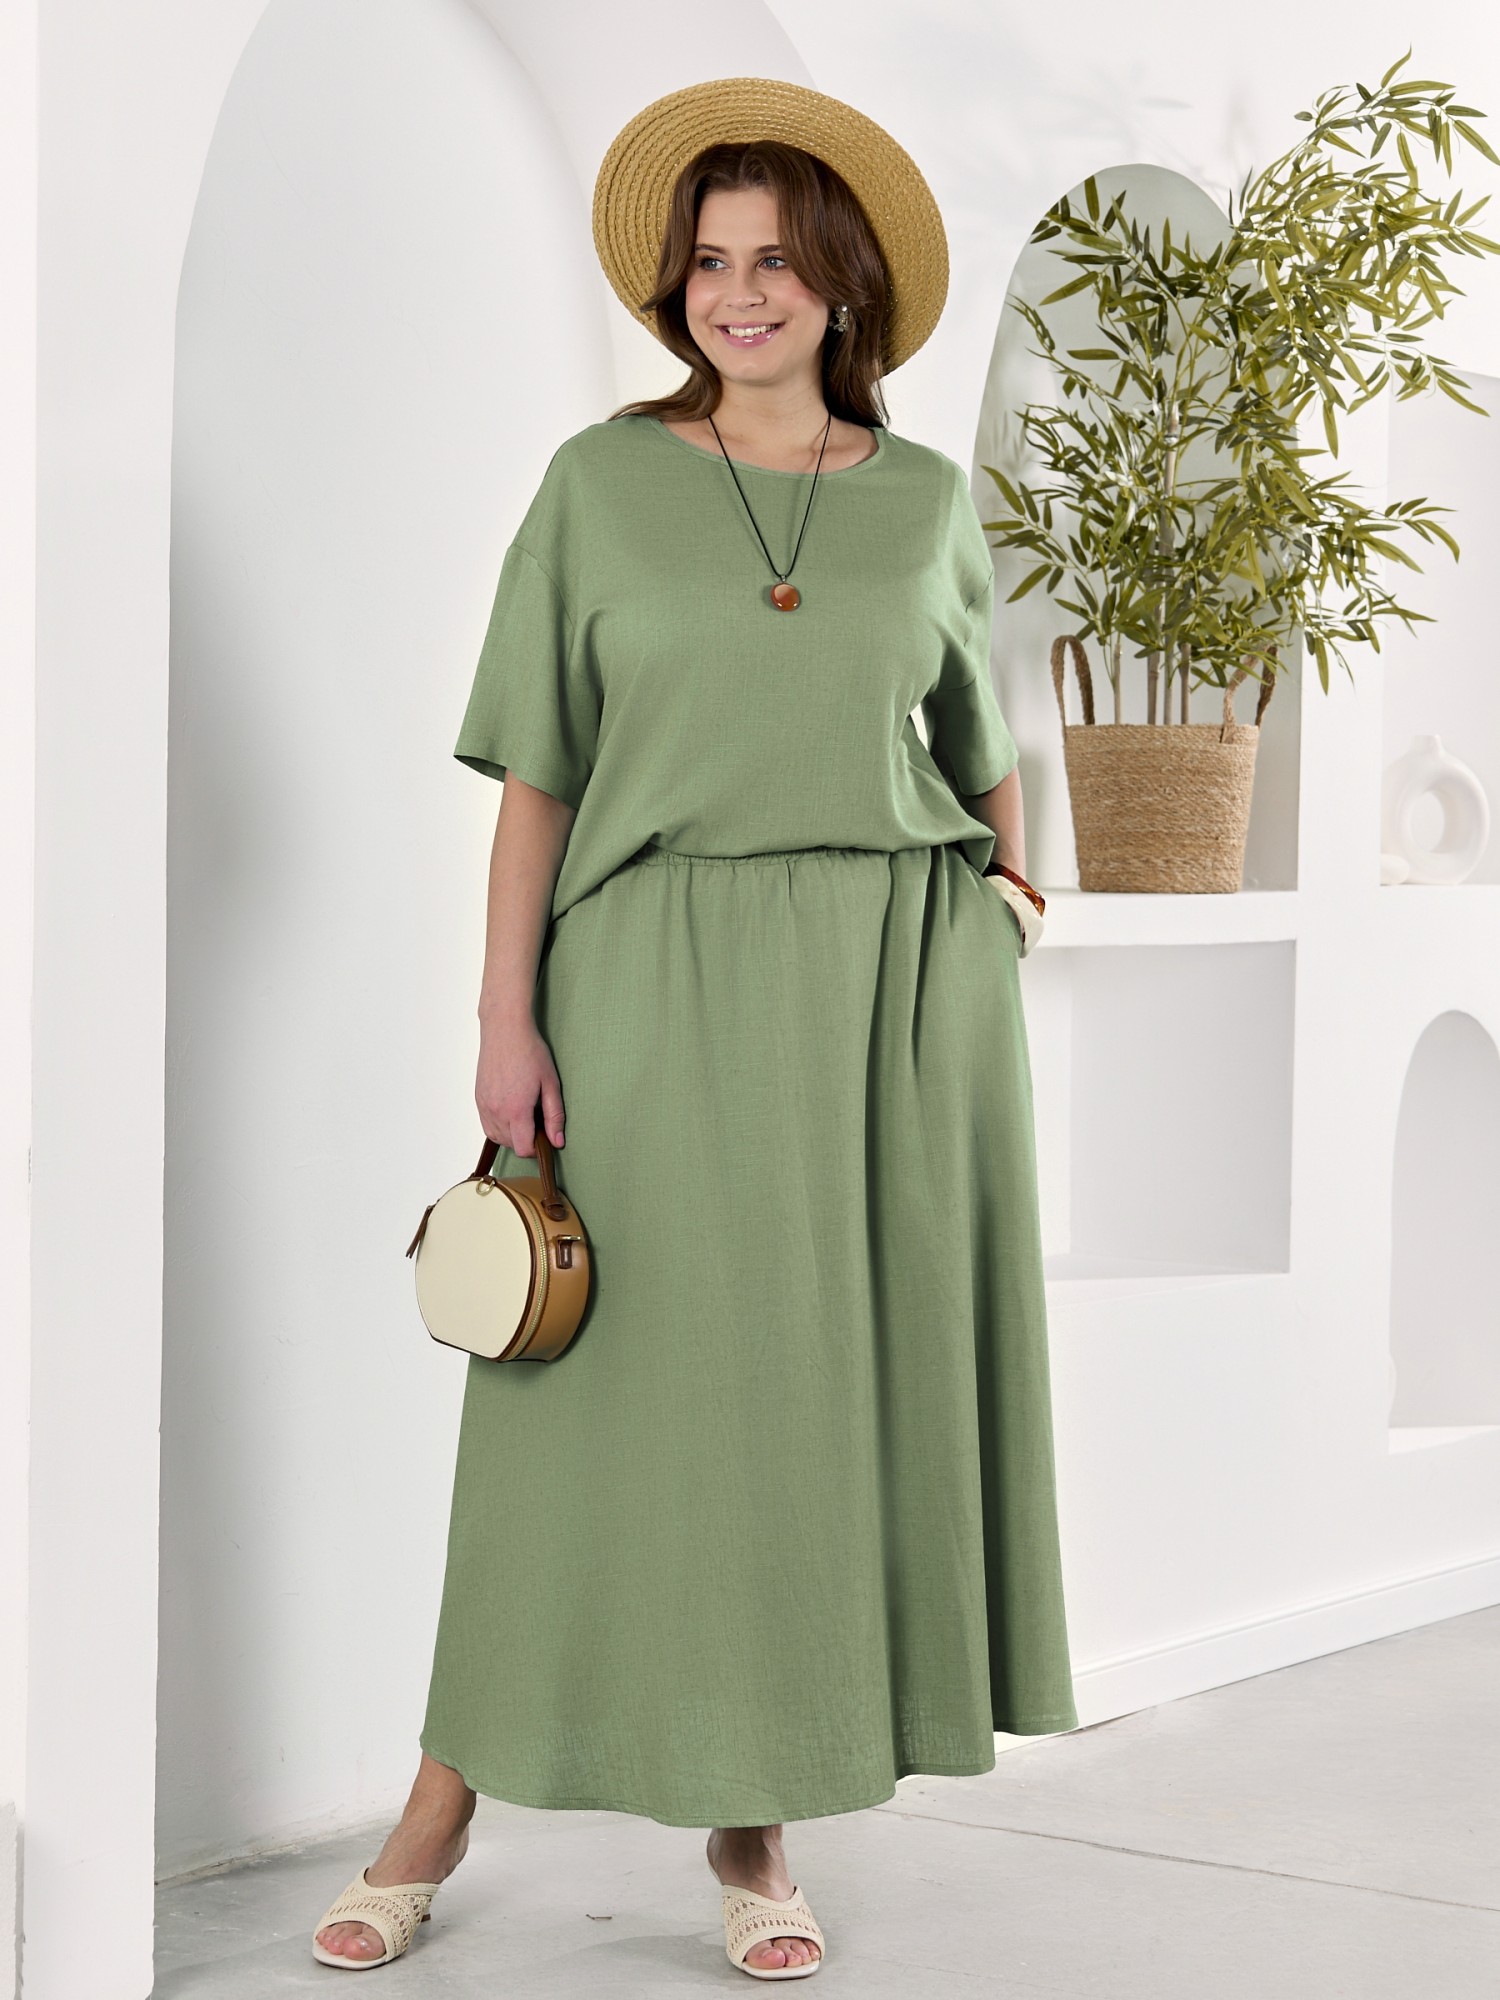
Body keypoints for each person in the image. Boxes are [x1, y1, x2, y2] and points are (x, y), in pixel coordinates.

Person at [311, 75, 1076, 1982]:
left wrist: (1006, 898)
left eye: (775, 264)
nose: (738, 294)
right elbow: (539, 779)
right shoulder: (600, 484)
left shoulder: (923, 502)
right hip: (644, 982)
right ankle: (437, 1808)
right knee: (574, 1402)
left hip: (881, 1008)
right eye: (710, 263)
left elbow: (978, 745)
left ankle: (755, 1826)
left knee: (797, 1409)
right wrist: (505, 1015)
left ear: (842, 288)